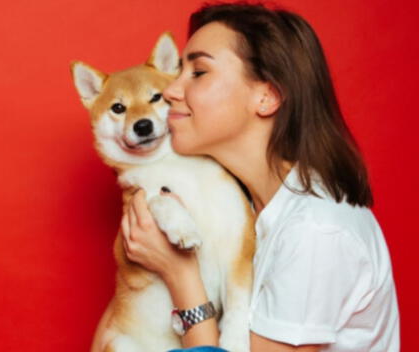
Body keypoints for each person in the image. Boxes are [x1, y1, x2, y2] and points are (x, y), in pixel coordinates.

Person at [120, 2, 400, 352]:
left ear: (267, 96)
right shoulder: (247, 204)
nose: (172, 90)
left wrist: (181, 277)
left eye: (198, 72)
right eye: (179, 71)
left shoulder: (314, 231)